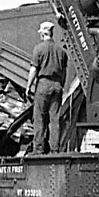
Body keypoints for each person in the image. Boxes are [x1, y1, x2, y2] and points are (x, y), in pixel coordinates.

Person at [27, 20, 68, 154]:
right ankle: (55, 149)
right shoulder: (61, 51)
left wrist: (29, 86)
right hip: (57, 86)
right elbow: (64, 73)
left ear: (43, 33)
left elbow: (34, 70)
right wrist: (60, 84)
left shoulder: (38, 49)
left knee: (39, 118)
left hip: (43, 84)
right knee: (55, 119)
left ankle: (38, 149)